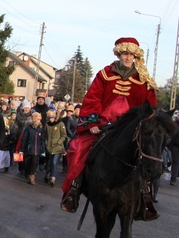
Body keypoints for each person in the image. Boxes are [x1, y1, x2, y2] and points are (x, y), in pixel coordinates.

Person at [60, 37, 158, 217]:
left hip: (131, 127)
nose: (127, 57)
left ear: (135, 56)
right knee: (77, 148)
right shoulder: (105, 74)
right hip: (104, 124)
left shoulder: (143, 78)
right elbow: (92, 99)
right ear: (119, 54)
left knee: (147, 155)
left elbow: (150, 106)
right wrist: (93, 124)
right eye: (124, 54)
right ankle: (74, 190)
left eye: (131, 54)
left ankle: (145, 197)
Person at [19, 112, 45, 185]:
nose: (38, 121)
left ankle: (32, 175)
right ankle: (28, 174)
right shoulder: (28, 128)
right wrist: (22, 149)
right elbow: (24, 139)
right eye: (37, 119)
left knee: (35, 163)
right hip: (29, 149)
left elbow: (42, 140)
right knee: (28, 163)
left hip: (37, 150)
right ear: (34, 119)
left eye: (39, 119)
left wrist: (43, 150)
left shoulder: (41, 128)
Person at [44, 109, 67, 187]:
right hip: (49, 147)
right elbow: (45, 135)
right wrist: (46, 143)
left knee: (54, 162)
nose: (51, 119)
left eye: (52, 118)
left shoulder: (60, 124)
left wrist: (59, 142)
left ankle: (53, 177)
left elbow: (64, 135)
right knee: (49, 162)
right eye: (49, 118)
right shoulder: (47, 125)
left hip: (57, 147)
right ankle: (47, 174)